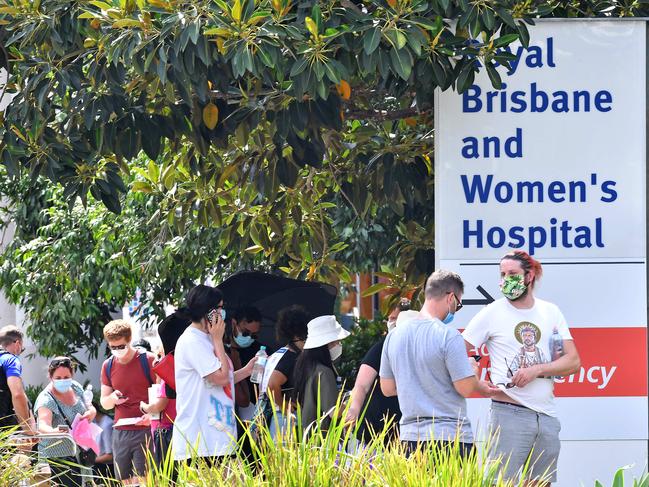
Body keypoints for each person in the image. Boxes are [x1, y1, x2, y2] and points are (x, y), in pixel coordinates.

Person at [462, 251, 581, 485]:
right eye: (502, 274)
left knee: (540, 483)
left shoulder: (551, 312)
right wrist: (476, 384)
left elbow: (573, 361)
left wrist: (536, 370)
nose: (506, 280)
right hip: (508, 412)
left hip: (546, 415)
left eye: (513, 274)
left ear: (530, 275)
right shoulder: (492, 311)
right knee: (501, 482)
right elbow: (457, 350)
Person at [380, 270, 499, 457]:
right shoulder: (448, 335)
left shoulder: (393, 336)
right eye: (458, 305)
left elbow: (387, 388)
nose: (454, 311)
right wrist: (473, 371)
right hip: (451, 439)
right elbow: (465, 388)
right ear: (451, 297)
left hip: (410, 441)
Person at [173, 285, 256, 465]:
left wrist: (247, 370)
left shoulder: (207, 337)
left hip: (219, 437)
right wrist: (218, 340)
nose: (222, 313)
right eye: (219, 308)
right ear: (208, 311)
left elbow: (225, 378)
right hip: (201, 442)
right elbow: (221, 378)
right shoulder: (192, 340)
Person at [346, 298, 411, 445]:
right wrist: (354, 409)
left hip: (407, 430)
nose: (391, 323)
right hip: (375, 429)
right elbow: (362, 385)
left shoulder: (420, 347)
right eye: (389, 319)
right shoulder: (381, 347)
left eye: (394, 318)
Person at [99, 320, 155, 485]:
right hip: (120, 431)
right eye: (113, 347)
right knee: (125, 481)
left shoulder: (148, 360)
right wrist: (113, 399)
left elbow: (162, 395)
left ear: (129, 340)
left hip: (145, 428)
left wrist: (152, 415)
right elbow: (105, 403)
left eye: (121, 346)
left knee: (145, 481)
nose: (117, 351)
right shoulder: (108, 366)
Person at [34, 357, 97, 487]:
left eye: (66, 377)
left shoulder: (76, 387)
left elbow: (89, 406)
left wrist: (91, 412)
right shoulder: (46, 399)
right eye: (58, 378)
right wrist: (54, 432)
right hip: (56, 459)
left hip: (80, 454)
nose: (63, 381)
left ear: (72, 375)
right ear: (50, 377)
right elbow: (42, 425)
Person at [256, 305, 310, 437]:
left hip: (267, 416)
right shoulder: (292, 357)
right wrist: (283, 406)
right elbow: (272, 384)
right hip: (283, 421)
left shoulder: (277, 354)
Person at [293, 315, 350, 432]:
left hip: (308, 434)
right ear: (326, 343)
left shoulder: (307, 366)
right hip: (323, 438)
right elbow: (334, 412)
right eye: (337, 341)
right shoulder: (324, 372)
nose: (340, 345)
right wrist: (353, 397)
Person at [227, 305, 264, 422]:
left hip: (258, 416)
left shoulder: (262, 351)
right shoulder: (223, 353)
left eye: (254, 335)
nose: (249, 338)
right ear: (234, 323)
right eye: (245, 333)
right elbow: (242, 399)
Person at [0, 325, 36, 434]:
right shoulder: (10, 360)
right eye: (22, 349)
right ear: (17, 344)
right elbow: (17, 394)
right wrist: (27, 428)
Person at [92, 402, 115, 482]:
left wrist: (90, 461)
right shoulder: (94, 422)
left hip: (106, 468)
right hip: (98, 463)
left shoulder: (107, 425)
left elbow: (110, 456)